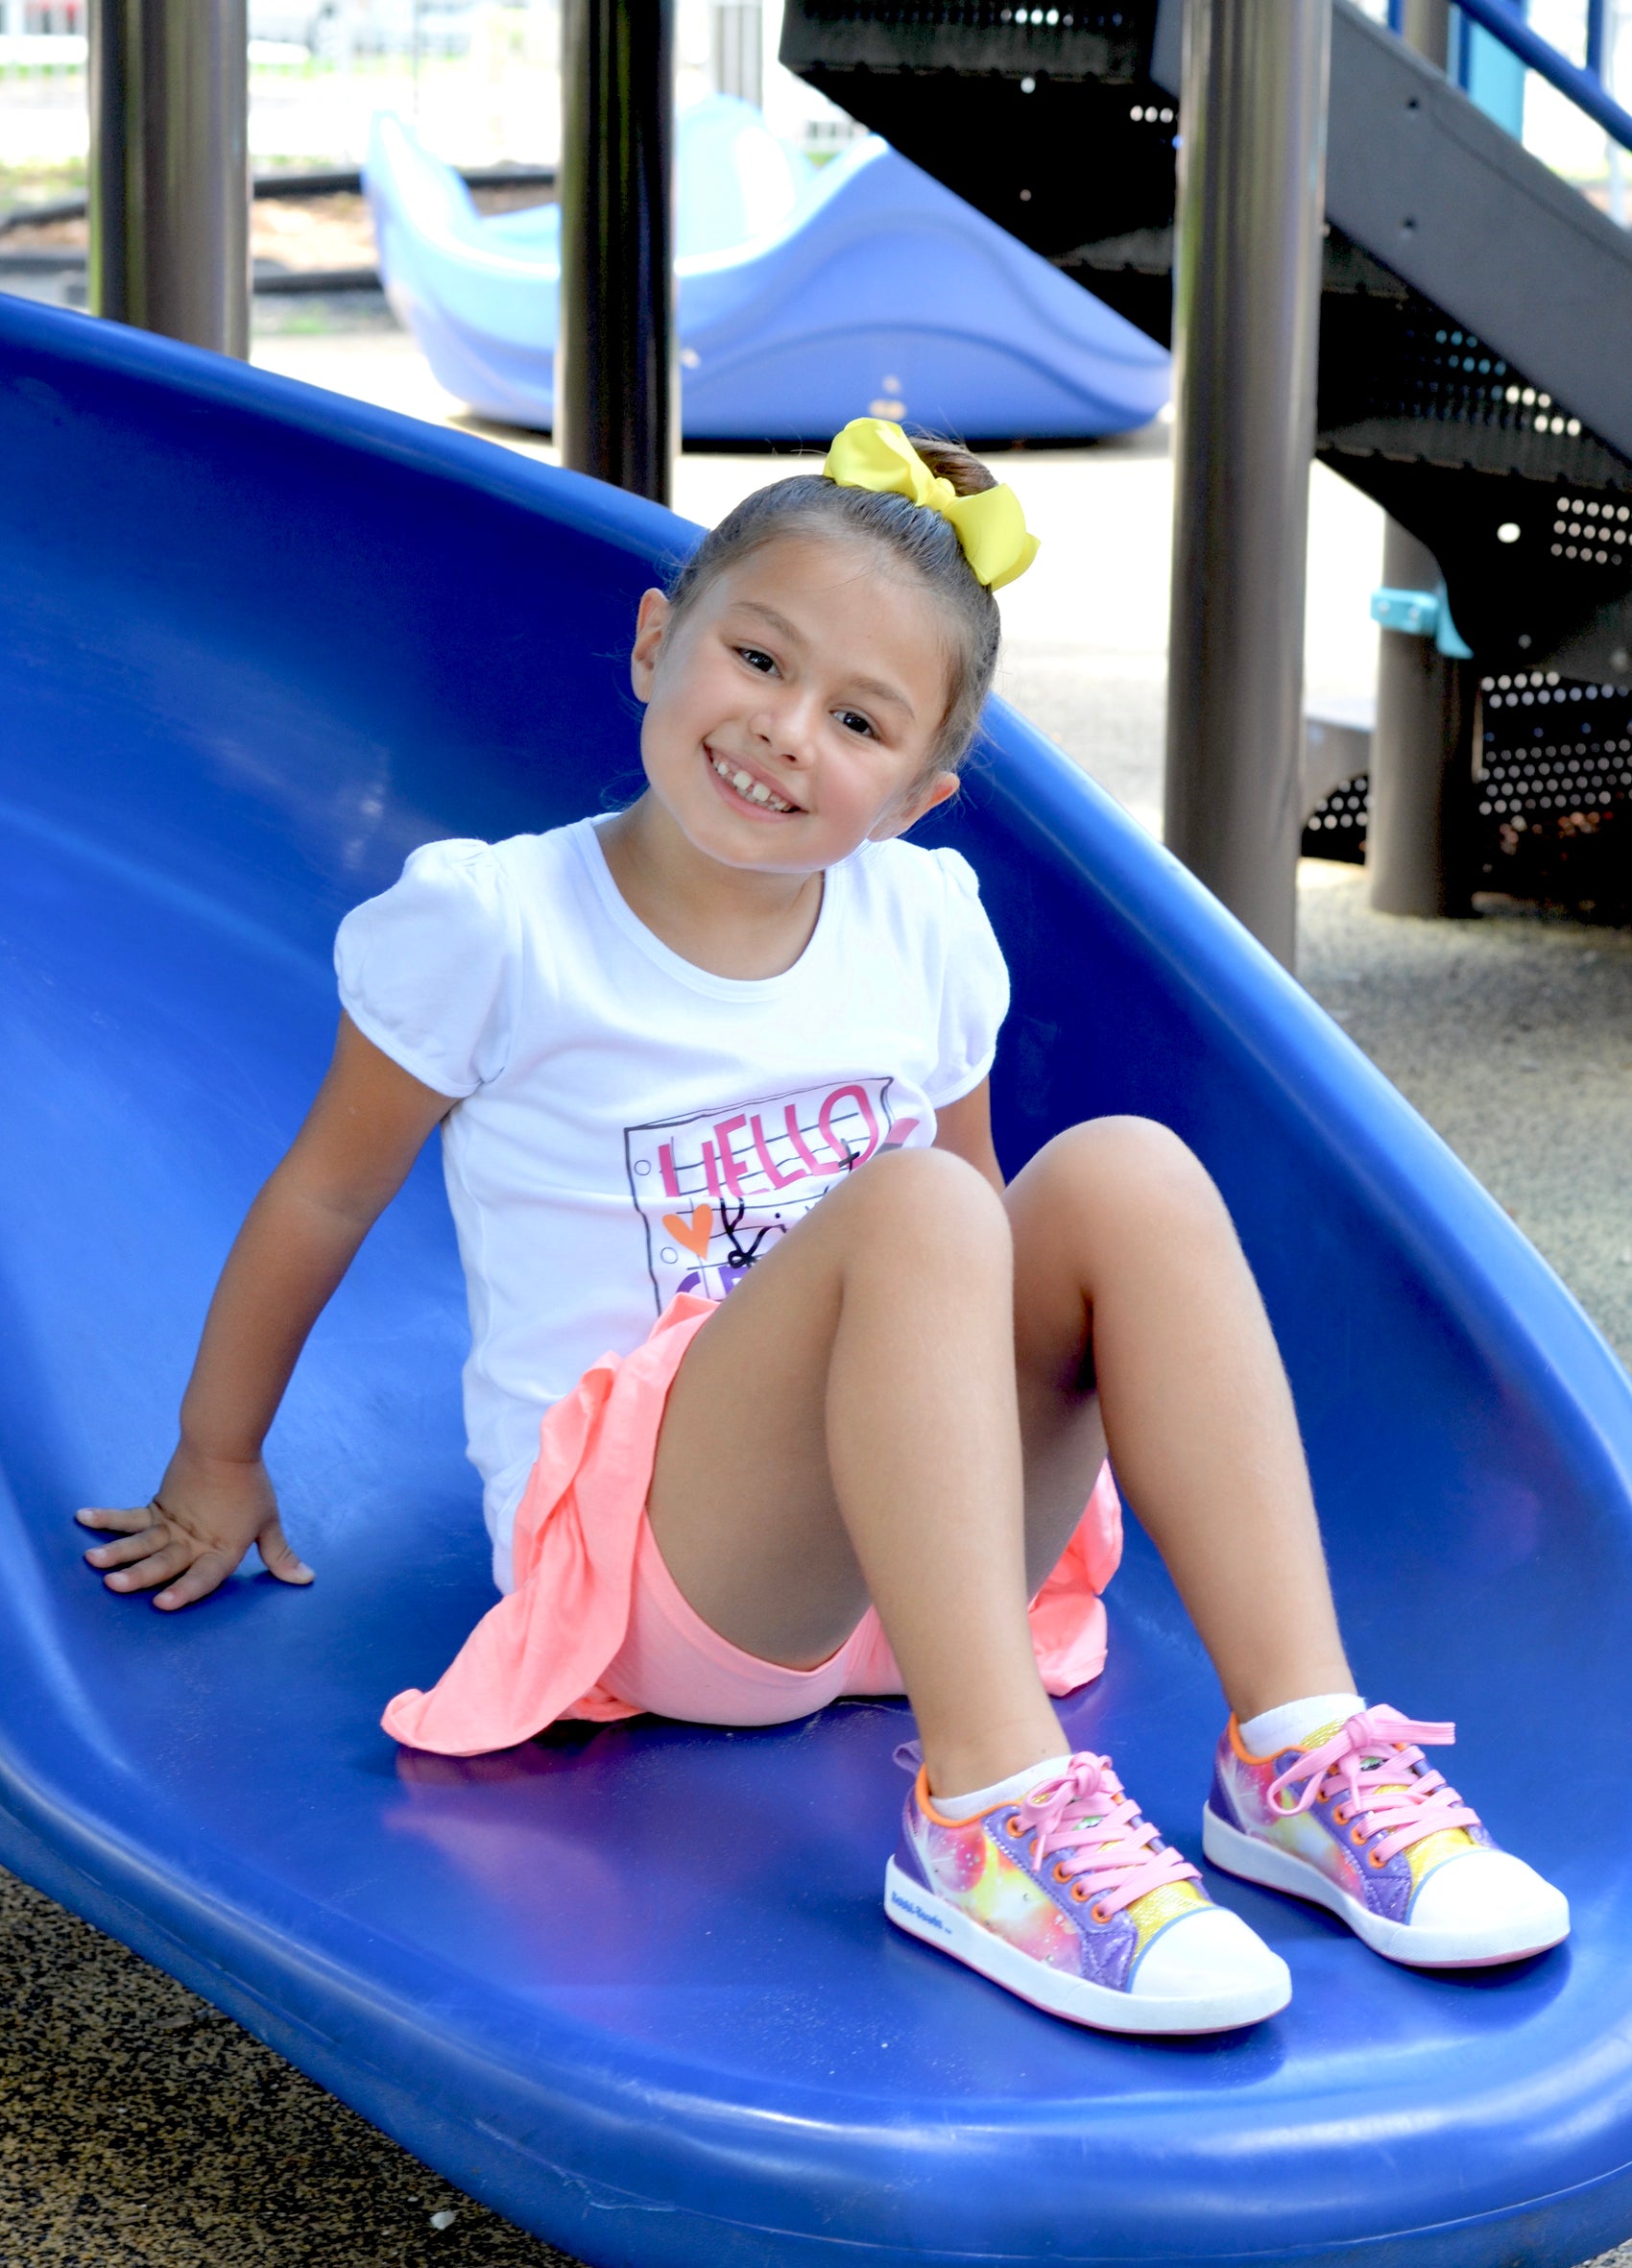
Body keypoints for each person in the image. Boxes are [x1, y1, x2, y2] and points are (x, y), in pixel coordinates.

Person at [75, 420, 1569, 2036]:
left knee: (1123, 1170)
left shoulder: (922, 924)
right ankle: (988, 1812)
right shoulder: (500, 927)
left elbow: (990, 1272)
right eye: (758, 657)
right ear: (659, 642)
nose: (785, 731)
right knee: (923, 1204)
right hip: (668, 1574)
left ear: (922, 795)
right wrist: (217, 1459)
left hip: (919, 1575)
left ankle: (1293, 1746)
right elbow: (326, 1190)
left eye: (857, 718)